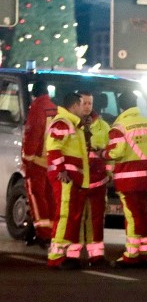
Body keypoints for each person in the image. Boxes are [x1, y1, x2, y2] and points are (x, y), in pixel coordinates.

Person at [107, 91, 147, 268]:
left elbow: (116, 152)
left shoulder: (120, 126)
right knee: (141, 214)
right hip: (144, 176)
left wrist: (103, 153)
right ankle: (143, 253)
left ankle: (131, 255)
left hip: (127, 177)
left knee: (132, 217)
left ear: (121, 106)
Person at [45, 92, 90, 270]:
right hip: (67, 179)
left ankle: (69, 254)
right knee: (65, 215)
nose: (84, 108)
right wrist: (62, 171)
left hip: (74, 178)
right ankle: (57, 256)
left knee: (72, 217)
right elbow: (53, 148)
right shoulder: (63, 122)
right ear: (74, 106)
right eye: (82, 104)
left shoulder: (73, 124)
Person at [78, 91, 111, 268]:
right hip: (78, 181)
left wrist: (109, 173)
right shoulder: (71, 124)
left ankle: (96, 256)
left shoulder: (103, 126)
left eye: (90, 103)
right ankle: (73, 255)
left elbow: (110, 151)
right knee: (76, 218)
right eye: (84, 103)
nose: (87, 107)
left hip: (98, 180)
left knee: (97, 219)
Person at [21, 81, 57, 244]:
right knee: (50, 198)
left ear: (34, 94)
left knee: (36, 196)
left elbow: (32, 134)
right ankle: (50, 231)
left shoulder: (37, 108)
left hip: (37, 162)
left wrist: (27, 158)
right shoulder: (54, 108)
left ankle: (42, 232)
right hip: (51, 161)